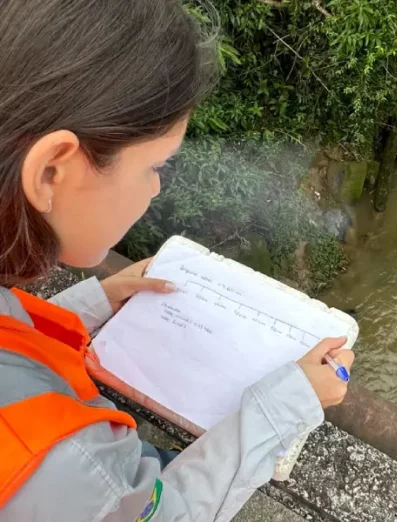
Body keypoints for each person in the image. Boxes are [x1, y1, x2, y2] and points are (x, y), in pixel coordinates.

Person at [0, 1, 354, 521]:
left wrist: (90, 304)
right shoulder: (62, 468)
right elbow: (167, 513)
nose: (157, 186)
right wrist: (284, 404)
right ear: (52, 171)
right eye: (154, 166)